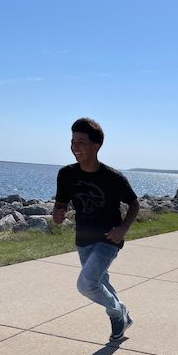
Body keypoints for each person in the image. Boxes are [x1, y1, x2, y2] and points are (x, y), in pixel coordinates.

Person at [53, 118, 139, 341]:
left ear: (96, 146)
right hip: (83, 239)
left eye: (81, 142)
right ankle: (123, 316)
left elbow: (134, 204)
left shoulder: (113, 177)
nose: (75, 147)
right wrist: (58, 212)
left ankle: (116, 313)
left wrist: (123, 229)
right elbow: (61, 202)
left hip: (109, 238)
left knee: (87, 284)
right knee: (99, 282)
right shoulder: (66, 174)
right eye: (72, 142)